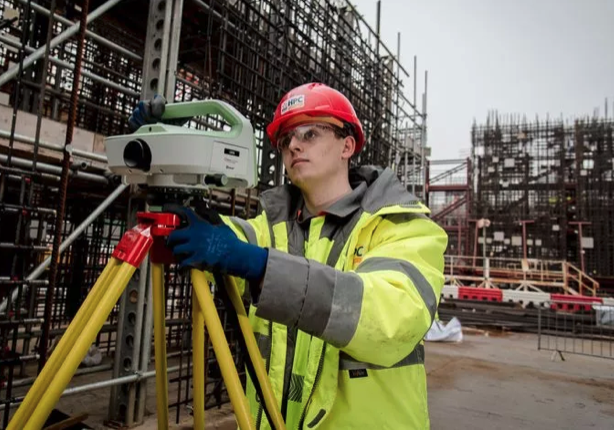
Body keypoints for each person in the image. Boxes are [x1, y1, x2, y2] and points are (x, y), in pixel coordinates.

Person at [129, 82, 448, 429]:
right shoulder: (270, 229)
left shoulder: (402, 226)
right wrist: (170, 160)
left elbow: (391, 318)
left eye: (310, 133)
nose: (294, 145)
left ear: (348, 145)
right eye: (285, 140)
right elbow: (213, 240)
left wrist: (264, 267)